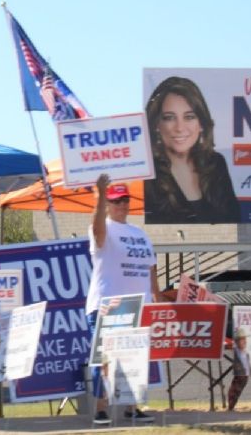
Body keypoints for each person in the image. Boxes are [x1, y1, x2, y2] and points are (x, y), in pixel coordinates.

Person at [86, 173, 159, 425]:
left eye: (125, 200)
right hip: (107, 304)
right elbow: (97, 233)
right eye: (116, 201)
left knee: (133, 359)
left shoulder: (139, 233)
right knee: (104, 358)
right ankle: (101, 408)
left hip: (137, 305)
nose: (122, 205)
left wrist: (156, 298)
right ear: (107, 204)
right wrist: (99, 197)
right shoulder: (103, 227)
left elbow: (151, 267)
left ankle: (132, 407)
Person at [144, 76, 240, 224]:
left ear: (201, 123)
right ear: (157, 125)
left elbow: (235, 219)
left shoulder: (215, 164)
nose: (180, 128)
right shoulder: (148, 175)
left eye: (189, 117)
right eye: (169, 118)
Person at [227, 327, 251, 411]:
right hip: (240, 373)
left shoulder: (247, 353)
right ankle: (231, 406)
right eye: (242, 339)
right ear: (237, 341)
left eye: (245, 339)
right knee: (235, 388)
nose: (244, 341)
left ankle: (231, 405)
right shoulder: (235, 349)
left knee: (239, 387)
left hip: (245, 374)